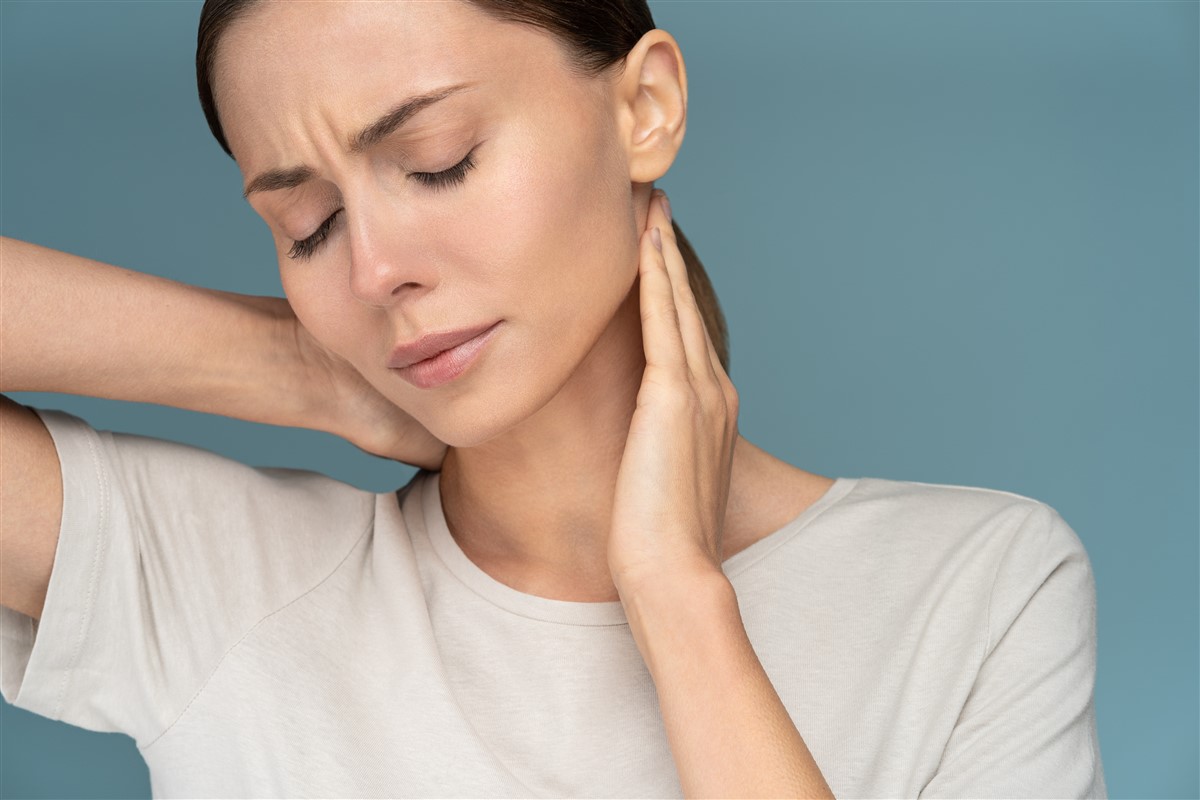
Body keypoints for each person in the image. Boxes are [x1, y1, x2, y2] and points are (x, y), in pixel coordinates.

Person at [0, 1, 1107, 797]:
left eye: (437, 159)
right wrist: (299, 367)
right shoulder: (221, 580)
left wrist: (678, 600)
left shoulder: (979, 587)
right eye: (309, 226)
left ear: (647, 107)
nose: (375, 267)